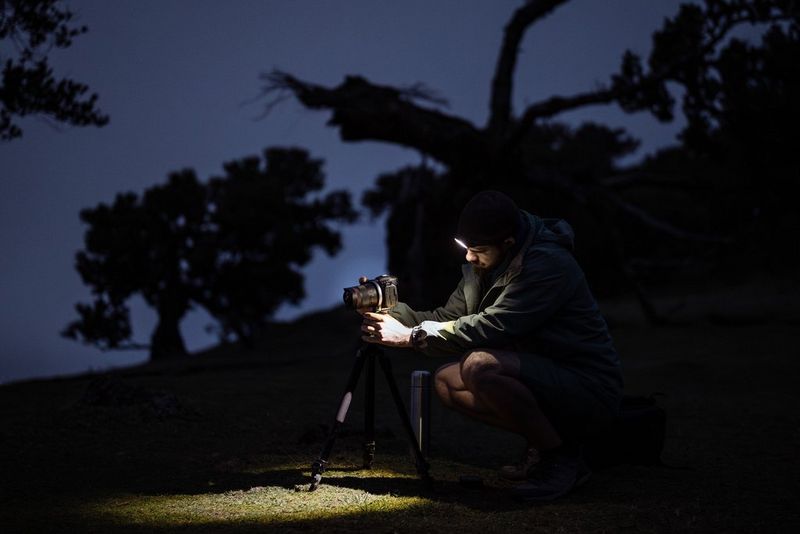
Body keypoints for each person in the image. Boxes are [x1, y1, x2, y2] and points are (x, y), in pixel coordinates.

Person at [360, 190, 623, 502]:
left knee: (478, 365)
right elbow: (447, 318)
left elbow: (492, 325)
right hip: (541, 376)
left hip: (586, 385)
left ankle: (563, 459)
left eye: (478, 250)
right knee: (447, 382)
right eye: (465, 248)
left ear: (508, 243)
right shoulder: (483, 265)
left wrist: (412, 336)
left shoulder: (548, 265)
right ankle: (546, 443)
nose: (469, 257)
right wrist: (389, 309)